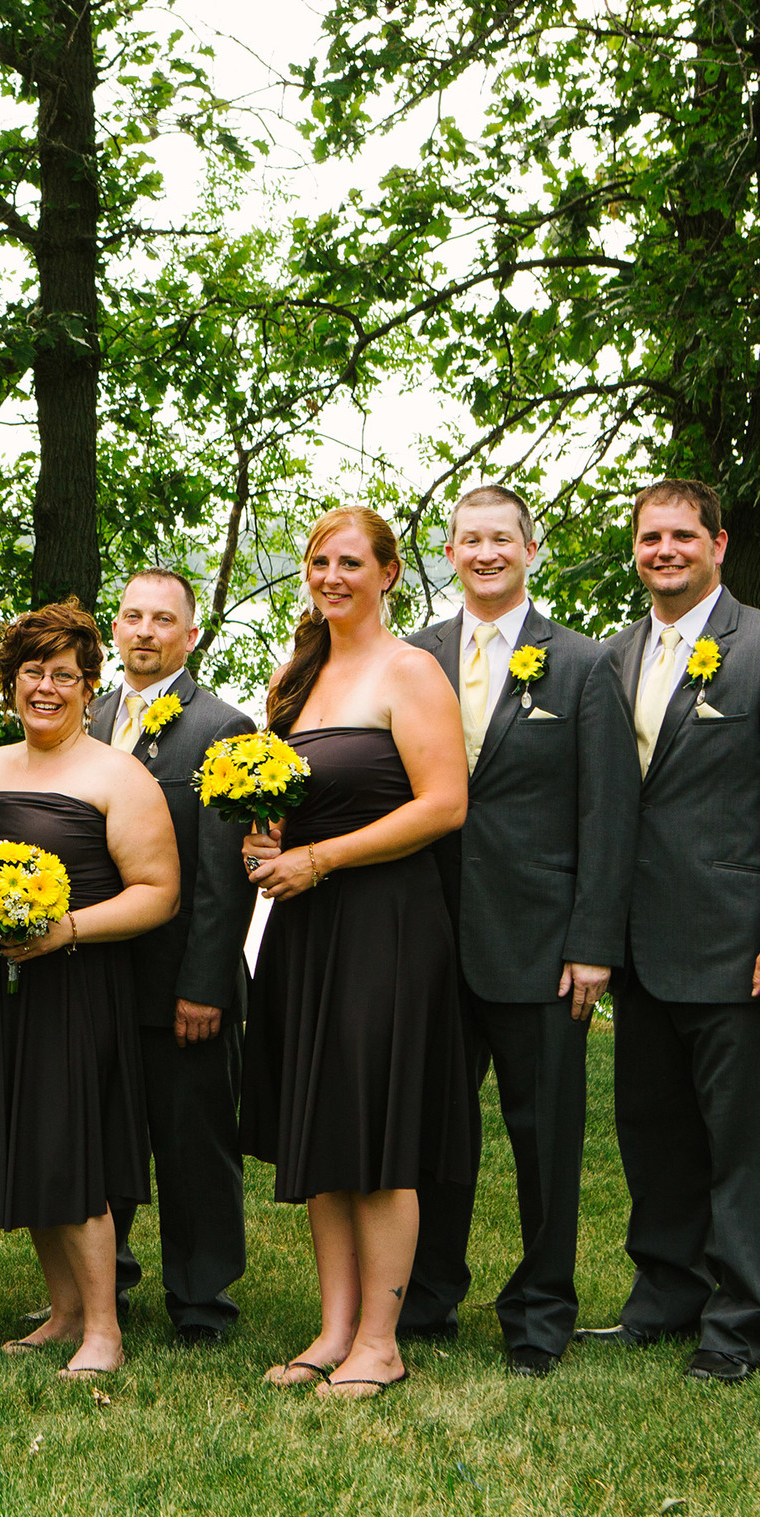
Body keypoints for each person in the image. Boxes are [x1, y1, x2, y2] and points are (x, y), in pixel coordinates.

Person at [578, 479, 760, 1385]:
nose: (664, 550)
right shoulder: (614, 656)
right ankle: (662, 1296)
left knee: (745, 1145)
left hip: (741, 947)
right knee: (655, 1135)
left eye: (682, 535)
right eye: (651, 537)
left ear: (718, 544)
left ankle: (737, 1322)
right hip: (642, 946)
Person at [396, 487, 638, 1376]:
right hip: (426, 935)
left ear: (531, 549)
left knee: (544, 1137)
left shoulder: (581, 665)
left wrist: (593, 944)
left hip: (541, 944)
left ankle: (541, 1311)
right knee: (433, 1131)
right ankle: (425, 1295)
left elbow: (609, 815)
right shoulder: (413, 656)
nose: (487, 552)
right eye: (471, 539)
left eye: (503, 538)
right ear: (449, 552)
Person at [240, 505, 473, 1401]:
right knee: (326, 1123)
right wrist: (261, 840)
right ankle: (332, 1327)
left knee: (377, 1129)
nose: (330, 575)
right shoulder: (297, 679)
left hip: (385, 922)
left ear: (389, 573)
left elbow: (443, 804)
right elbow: (281, 800)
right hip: (304, 924)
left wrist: (321, 856)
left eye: (349, 562)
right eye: (317, 561)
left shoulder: (409, 670)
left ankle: (382, 1339)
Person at [0, 600, 179, 1379]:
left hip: (77, 983)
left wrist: (65, 929)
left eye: (63, 674)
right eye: (31, 673)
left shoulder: (120, 773)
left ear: (90, 685)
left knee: (73, 1150)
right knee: (28, 1142)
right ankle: (66, 1310)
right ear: (9, 683)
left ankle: (105, 1330)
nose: (45, 687)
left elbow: (158, 891)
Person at [81, 568, 261, 1347]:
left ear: (191, 633)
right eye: (131, 617)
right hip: (95, 975)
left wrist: (206, 983)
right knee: (103, 1129)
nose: (144, 631)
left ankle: (201, 1298)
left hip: (183, 975)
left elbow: (226, 875)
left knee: (193, 1141)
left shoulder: (222, 726)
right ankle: (105, 1282)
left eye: (163, 619)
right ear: (113, 630)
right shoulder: (81, 718)